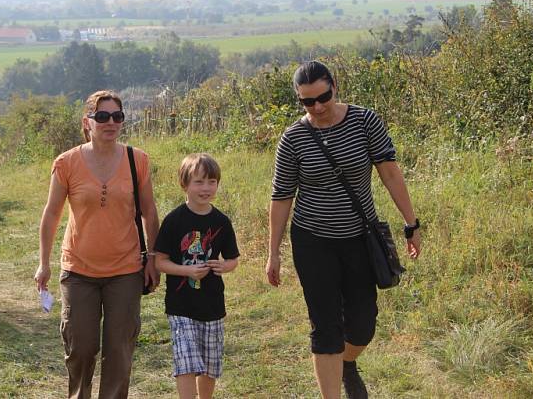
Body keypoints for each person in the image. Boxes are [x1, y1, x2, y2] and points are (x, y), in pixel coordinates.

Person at [265, 60, 422, 399]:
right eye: (307, 102)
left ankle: (347, 363)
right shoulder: (292, 139)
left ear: (335, 85)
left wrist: (411, 222)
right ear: (299, 100)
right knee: (326, 329)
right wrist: (273, 253)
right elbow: (281, 198)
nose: (317, 107)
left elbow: (390, 173)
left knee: (363, 325)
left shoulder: (365, 121)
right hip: (312, 242)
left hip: (359, 239)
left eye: (322, 97)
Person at [33, 90, 160, 399]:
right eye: (102, 116)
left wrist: (153, 259)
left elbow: (150, 213)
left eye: (117, 116)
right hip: (78, 270)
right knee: (81, 346)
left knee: (119, 350)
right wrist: (44, 263)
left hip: (126, 269)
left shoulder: (137, 159)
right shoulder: (66, 163)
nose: (110, 123)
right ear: (87, 122)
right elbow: (51, 215)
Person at [155, 153, 240, 399]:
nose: (206, 188)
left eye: (211, 182)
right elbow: (161, 262)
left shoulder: (222, 221)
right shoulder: (174, 220)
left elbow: (233, 259)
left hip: (213, 304)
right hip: (181, 305)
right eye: (199, 182)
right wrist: (187, 271)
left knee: (210, 365)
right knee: (187, 362)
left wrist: (226, 266)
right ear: (185, 184)